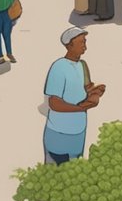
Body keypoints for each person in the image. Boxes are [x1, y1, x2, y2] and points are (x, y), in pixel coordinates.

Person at [43, 27, 104, 164]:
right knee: (56, 176)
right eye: (81, 43)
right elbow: (54, 103)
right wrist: (80, 108)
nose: (85, 47)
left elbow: (87, 88)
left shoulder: (83, 65)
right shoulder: (58, 67)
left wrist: (96, 92)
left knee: (75, 174)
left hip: (78, 133)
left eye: (85, 42)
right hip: (59, 134)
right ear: (69, 45)